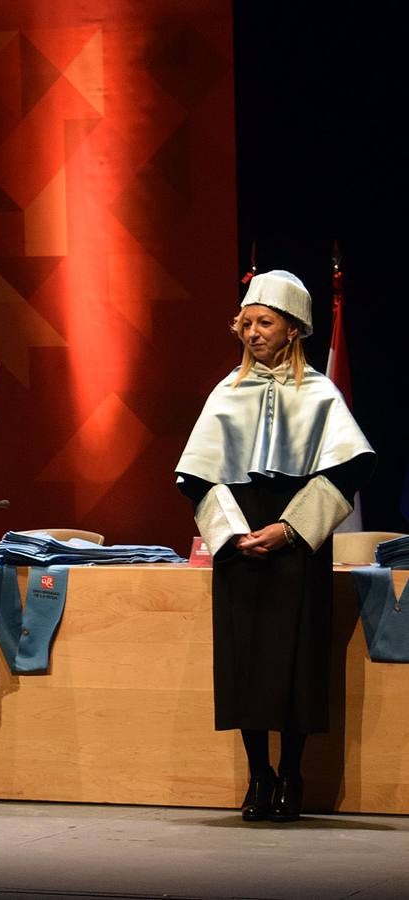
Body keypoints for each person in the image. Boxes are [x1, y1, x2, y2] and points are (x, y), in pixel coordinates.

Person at [175, 270, 374, 822]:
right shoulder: (226, 392)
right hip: (240, 539)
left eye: (265, 323)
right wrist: (233, 534)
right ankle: (258, 775)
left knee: (296, 658)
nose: (253, 332)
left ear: (293, 329)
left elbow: (347, 469)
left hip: (296, 538)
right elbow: (196, 477)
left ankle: (292, 773)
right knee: (247, 660)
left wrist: (290, 530)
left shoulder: (319, 393)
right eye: (247, 323)